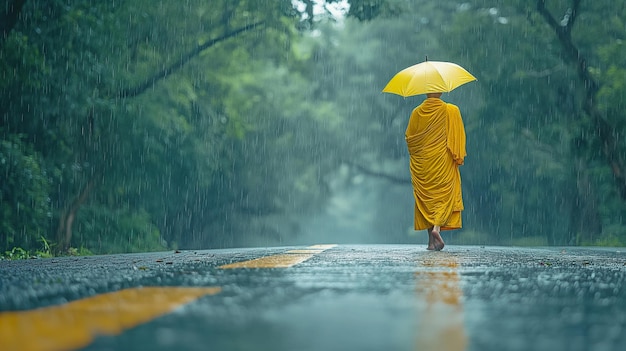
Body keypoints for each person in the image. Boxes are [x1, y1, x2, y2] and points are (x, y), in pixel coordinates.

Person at [405, 92, 466, 251]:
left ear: (426, 92)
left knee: (427, 199)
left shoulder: (417, 112)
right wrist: (457, 156)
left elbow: (410, 139)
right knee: (443, 197)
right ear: (442, 91)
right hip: (443, 160)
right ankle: (436, 229)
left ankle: (431, 242)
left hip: (424, 162)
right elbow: (458, 138)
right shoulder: (451, 110)